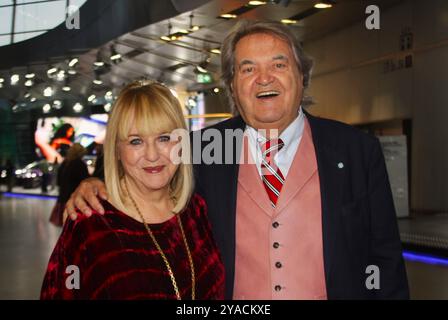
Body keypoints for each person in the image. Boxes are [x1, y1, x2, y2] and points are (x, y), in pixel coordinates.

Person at [66, 20, 408, 299]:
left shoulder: (354, 150)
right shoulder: (203, 148)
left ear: (302, 75)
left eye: (278, 64)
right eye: (248, 69)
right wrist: (97, 184)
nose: (264, 78)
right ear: (232, 85)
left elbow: (386, 260)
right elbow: (149, 175)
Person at [41, 81, 225, 299]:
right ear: (117, 150)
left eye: (164, 138)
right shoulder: (90, 224)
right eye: (136, 141)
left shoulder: (195, 210)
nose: (152, 155)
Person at [49, 143, 89, 226]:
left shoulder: (66, 162)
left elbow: (59, 180)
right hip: (74, 197)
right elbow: (85, 180)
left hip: (64, 195)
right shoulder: (80, 164)